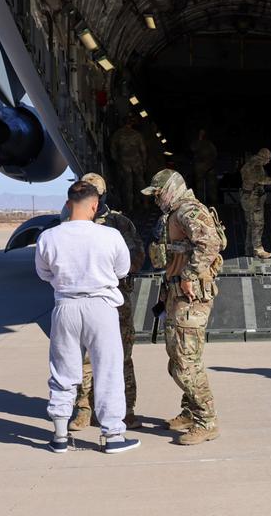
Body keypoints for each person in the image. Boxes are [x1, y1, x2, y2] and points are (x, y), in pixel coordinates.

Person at [35, 181, 140, 454]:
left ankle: (59, 435)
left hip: (65, 307)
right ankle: (113, 435)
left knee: (63, 370)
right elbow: (122, 270)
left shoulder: (48, 237)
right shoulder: (110, 236)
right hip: (100, 307)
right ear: (95, 205)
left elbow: (44, 274)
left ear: (69, 204)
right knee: (108, 369)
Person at [142, 169, 225, 446]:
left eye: (157, 194)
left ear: (171, 189)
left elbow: (210, 242)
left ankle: (207, 420)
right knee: (180, 357)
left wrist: (189, 275)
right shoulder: (177, 212)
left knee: (185, 363)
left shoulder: (188, 210)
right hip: (176, 293)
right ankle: (191, 411)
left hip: (190, 297)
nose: (156, 200)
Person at [63, 173, 145, 432]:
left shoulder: (119, 223)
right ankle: (85, 408)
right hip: (82, 300)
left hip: (115, 299)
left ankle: (125, 410)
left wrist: (104, 269)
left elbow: (137, 259)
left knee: (121, 355)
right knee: (83, 358)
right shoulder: (69, 223)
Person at [240, 148, 271, 258]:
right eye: (268, 160)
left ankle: (248, 249)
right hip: (254, 198)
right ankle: (258, 250)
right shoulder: (257, 165)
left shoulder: (248, 163)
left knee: (250, 223)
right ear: (264, 158)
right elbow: (262, 180)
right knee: (258, 224)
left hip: (246, 195)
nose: (268, 162)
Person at [110, 115, 148, 213]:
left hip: (124, 163)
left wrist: (117, 162)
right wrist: (144, 163)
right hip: (137, 162)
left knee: (128, 185)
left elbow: (113, 151)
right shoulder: (137, 135)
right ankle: (145, 203)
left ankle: (130, 207)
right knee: (141, 183)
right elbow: (143, 150)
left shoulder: (117, 135)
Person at [191, 129, 218, 205]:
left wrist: (211, 164)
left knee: (212, 186)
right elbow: (193, 148)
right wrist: (199, 139)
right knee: (200, 187)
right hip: (200, 167)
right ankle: (200, 202)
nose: (202, 134)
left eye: (203, 132)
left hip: (210, 167)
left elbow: (214, 154)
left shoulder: (209, 143)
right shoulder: (196, 143)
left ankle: (214, 203)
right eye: (201, 132)